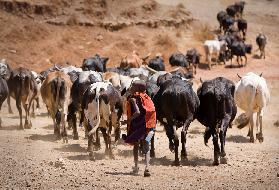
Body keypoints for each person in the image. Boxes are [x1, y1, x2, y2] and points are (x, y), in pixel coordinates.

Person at [122, 80, 156, 177]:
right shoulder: (148, 98)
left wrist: (127, 121)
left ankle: (136, 166)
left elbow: (137, 113)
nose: (131, 87)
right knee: (147, 146)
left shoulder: (133, 99)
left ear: (137, 88)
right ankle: (147, 168)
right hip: (151, 127)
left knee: (136, 146)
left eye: (133, 86)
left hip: (138, 127)